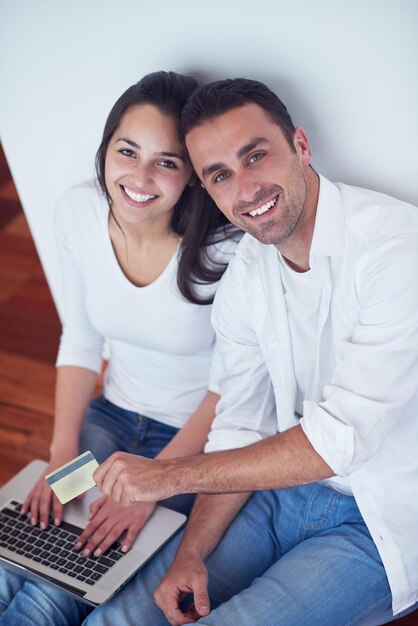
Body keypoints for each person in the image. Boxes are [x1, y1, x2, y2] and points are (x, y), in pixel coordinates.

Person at [84, 77, 418, 626]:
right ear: (209, 191)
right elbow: (238, 424)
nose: (246, 189)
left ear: (301, 147)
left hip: (378, 516)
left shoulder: (395, 248)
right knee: (122, 616)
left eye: (255, 156)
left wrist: (167, 478)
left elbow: (339, 442)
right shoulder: (246, 273)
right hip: (273, 492)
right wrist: (190, 554)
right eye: (220, 175)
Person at [0, 71, 238, 625]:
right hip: (111, 417)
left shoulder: (227, 249)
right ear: (105, 149)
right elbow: (81, 340)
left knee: (57, 591)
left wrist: (156, 482)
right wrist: (62, 453)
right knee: (19, 554)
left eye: (167, 161)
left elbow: (229, 391)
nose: (139, 175)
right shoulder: (77, 212)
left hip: (188, 446)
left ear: (194, 177)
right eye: (127, 151)